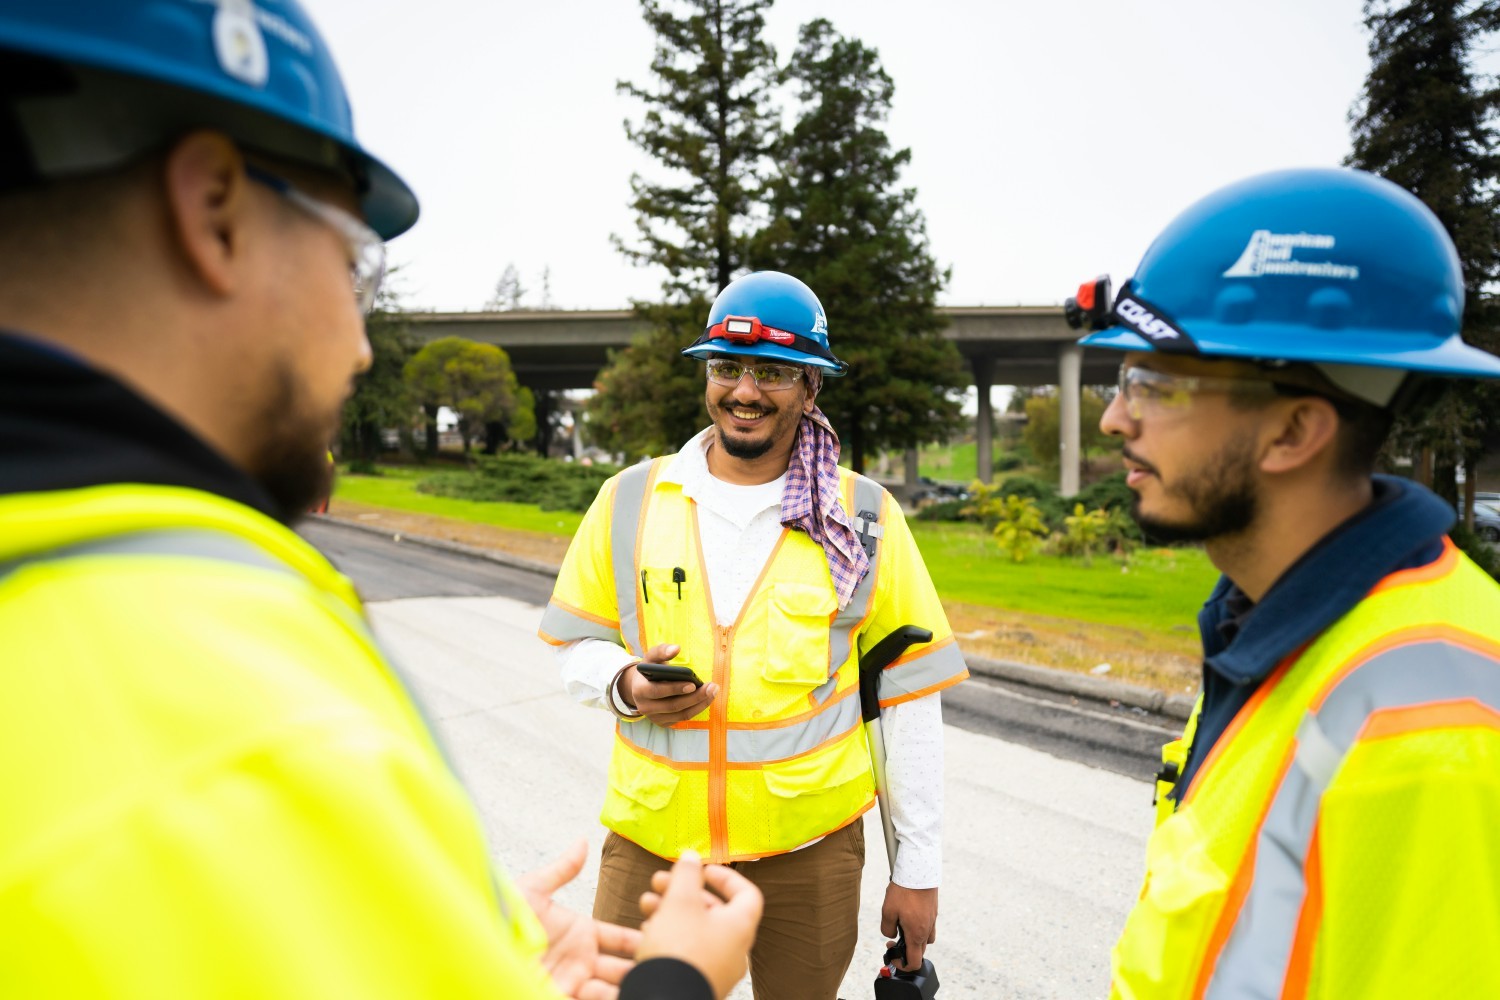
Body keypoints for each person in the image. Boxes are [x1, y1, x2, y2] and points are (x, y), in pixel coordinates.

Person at [0, 3, 760, 998]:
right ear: (216, 209)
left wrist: (434, 943)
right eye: (354, 261)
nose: (361, 345)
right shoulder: (241, 721)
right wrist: (679, 980)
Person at [1063, 168, 1500, 998]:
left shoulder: (1430, 737)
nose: (1117, 419)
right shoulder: (1275, 626)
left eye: (1154, 385)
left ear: (1296, 430)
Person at [539, 271, 970, 1000]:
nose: (744, 390)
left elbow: (909, 700)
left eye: (772, 372)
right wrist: (625, 684)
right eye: (726, 367)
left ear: (811, 387)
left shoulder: (864, 517)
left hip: (810, 855)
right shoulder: (629, 501)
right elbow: (577, 646)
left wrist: (918, 872)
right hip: (654, 849)